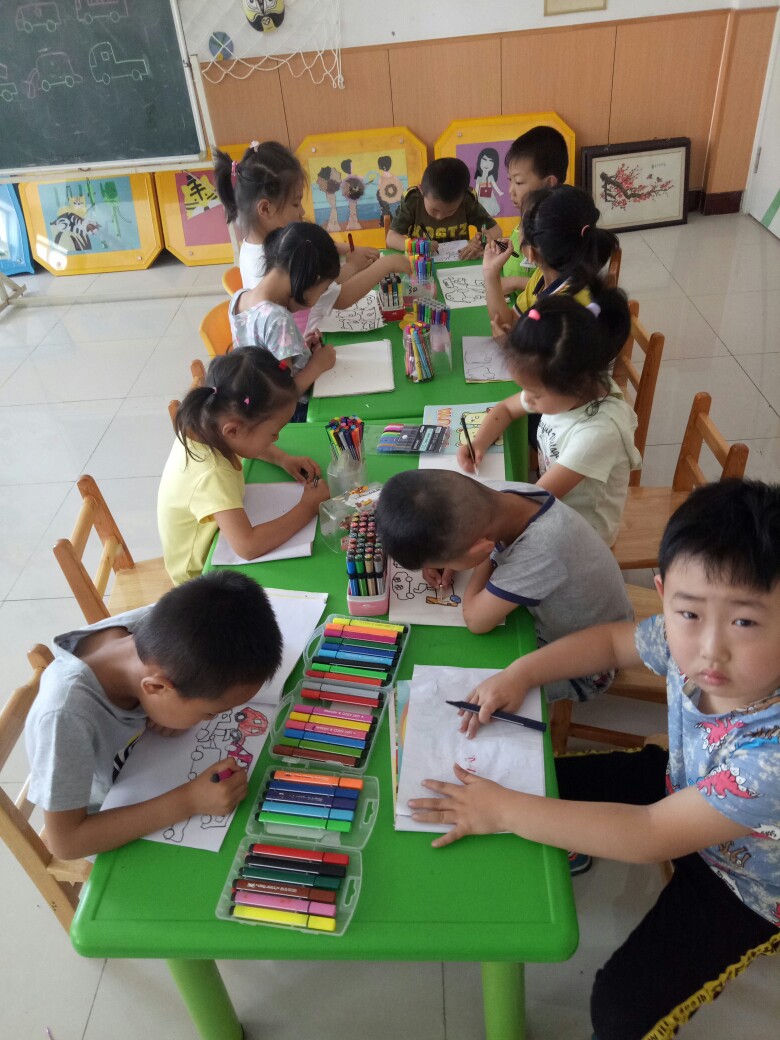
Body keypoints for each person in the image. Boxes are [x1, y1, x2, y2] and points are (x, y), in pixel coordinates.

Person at [408, 479, 780, 1040]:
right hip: (679, 787)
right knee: (537, 781)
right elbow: (610, 643)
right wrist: (521, 673)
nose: (710, 650)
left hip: (744, 882)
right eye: (688, 613)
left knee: (619, 1012)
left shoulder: (771, 756)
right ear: (663, 592)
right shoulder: (682, 638)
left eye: (745, 622)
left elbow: (650, 833)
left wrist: (504, 811)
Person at [25, 571, 284, 859]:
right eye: (209, 714)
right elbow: (66, 843)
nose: (211, 720)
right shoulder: (65, 718)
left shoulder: (167, 631)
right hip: (107, 823)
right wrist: (189, 801)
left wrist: (171, 711)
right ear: (157, 687)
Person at [375, 469, 632, 703]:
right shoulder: (493, 496)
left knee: (459, 690)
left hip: (589, 666)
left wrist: (482, 559)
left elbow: (477, 620)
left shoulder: (542, 548)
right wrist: (454, 556)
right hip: (581, 623)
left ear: (481, 548)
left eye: (443, 563)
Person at [456, 285, 641, 545]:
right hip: (554, 509)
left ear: (576, 383)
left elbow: (533, 501)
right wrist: (479, 442)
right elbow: (505, 409)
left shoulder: (598, 432)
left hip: (584, 537)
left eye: (534, 393)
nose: (527, 399)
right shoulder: (565, 391)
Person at [158, 348, 330, 585]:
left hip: (220, 535)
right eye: (273, 432)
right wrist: (307, 508)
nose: (277, 439)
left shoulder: (206, 424)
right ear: (233, 430)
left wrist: (283, 459)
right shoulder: (211, 474)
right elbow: (248, 546)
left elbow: (246, 441)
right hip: (200, 576)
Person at [229, 222, 410, 404]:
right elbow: (282, 396)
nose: (321, 296)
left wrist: (300, 348)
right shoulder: (278, 320)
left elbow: (267, 358)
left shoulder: (240, 298)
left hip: (253, 403)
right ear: (310, 280)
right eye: (323, 289)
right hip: (293, 412)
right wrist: (317, 366)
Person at [213, 140, 378, 290]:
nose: (302, 211)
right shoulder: (272, 262)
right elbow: (316, 293)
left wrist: (351, 249)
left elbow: (312, 243)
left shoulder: (267, 240)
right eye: (295, 204)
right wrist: (352, 267)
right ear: (265, 209)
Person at [484, 184, 618, 332]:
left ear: (531, 252)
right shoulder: (542, 276)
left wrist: (505, 340)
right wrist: (491, 272)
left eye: (520, 225)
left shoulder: (566, 310)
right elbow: (509, 322)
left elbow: (509, 333)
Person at [500, 126, 569, 305]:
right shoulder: (530, 213)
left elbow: (562, 285)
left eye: (519, 182)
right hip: (518, 302)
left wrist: (515, 282)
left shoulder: (557, 226)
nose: (511, 190)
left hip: (542, 310)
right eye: (510, 180)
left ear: (549, 183)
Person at [386, 157, 501, 259]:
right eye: (434, 210)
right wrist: (417, 246)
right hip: (422, 264)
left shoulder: (467, 201)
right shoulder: (413, 201)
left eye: (451, 211)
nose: (440, 216)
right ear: (421, 190)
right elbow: (391, 238)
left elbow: (496, 231)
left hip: (458, 263)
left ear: (463, 197)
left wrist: (479, 244)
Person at [473, 146, 504, 218]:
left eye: (491, 161)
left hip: (489, 194)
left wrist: (499, 192)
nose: (487, 164)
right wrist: (476, 195)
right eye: (484, 159)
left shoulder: (490, 177)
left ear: (494, 164)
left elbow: (494, 185)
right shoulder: (479, 178)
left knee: (489, 204)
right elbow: (477, 187)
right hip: (481, 195)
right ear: (479, 160)